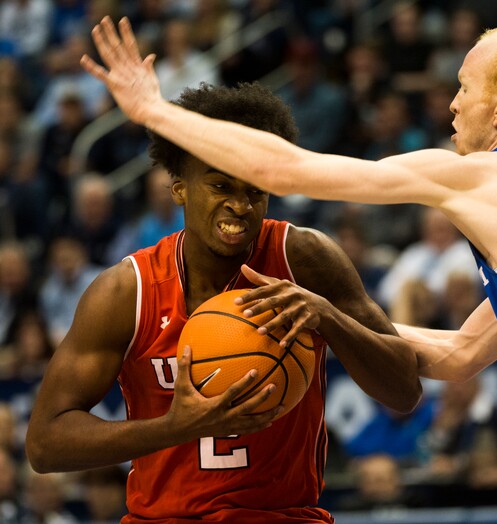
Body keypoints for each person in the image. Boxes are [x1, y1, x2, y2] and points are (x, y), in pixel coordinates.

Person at [80, 18, 497, 522]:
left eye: (465, 86)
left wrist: (154, 112)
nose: (453, 103)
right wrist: (321, 316)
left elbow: (286, 171)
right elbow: (459, 353)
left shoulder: (492, 174)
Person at [25, 81, 421, 523]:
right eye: (220, 186)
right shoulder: (127, 290)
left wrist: (326, 316)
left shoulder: (304, 259)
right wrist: (174, 429)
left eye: (254, 191)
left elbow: (405, 391)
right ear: (180, 188)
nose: (240, 206)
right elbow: (45, 443)